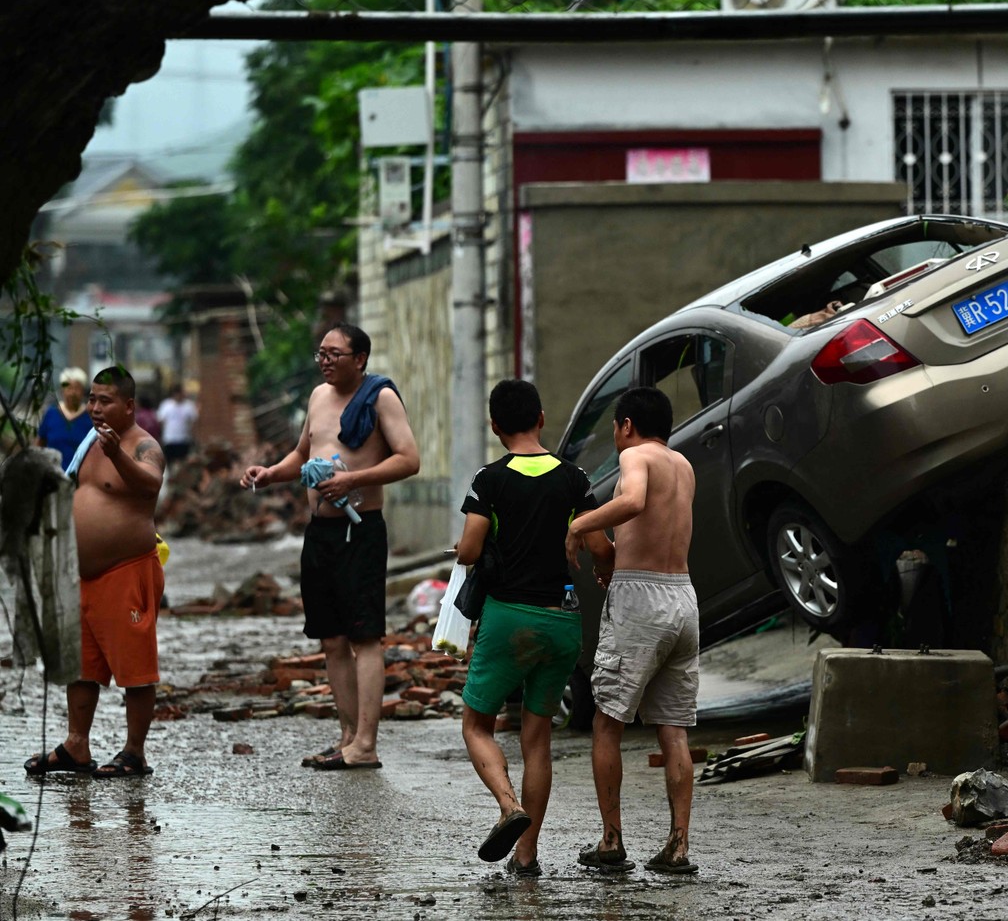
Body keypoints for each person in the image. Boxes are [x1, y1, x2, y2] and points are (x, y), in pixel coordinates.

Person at [240, 323, 418, 771]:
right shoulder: (319, 397)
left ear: (360, 359)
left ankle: (367, 743)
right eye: (321, 353)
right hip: (319, 532)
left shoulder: (380, 398)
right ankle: (346, 737)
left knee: (364, 635)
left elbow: (409, 459)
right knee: (331, 637)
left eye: (335, 354)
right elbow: (303, 454)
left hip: (361, 531)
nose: (325, 361)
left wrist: (352, 479)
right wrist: (270, 472)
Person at [455, 379, 615, 877]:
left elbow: (470, 550)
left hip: (509, 618)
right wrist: (599, 571)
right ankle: (526, 856)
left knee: (476, 724)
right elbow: (601, 546)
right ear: (542, 418)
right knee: (537, 739)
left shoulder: (489, 480)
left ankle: (508, 806)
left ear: (494, 426)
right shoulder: (574, 478)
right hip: (563, 621)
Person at [565, 386, 700, 876]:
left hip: (641, 602)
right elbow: (658, 526)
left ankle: (611, 840)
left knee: (607, 722)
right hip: (682, 595)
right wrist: (616, 562)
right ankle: (679, 845)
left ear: (626, 426)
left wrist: (581, 525)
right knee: (673, 727)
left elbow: (636, 502)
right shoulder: (683, 465)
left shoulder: (635, 456)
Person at [24, 365, 166, 779]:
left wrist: (116, 454)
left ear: (129, 405)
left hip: (126, 569)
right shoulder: (88, 442)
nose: (95, 408)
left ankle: (134, 752)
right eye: (92, 399)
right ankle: (76, 744)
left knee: (135, 668)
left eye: (105, 401)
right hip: (83, 574)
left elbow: (150, 485)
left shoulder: (144, 446)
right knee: (81, 665)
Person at [35, 367, 92, 464]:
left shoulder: (90, 417)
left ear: (83, 391)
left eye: (76, 388)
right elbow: (39, 446)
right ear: (62, 390)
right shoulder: (51, 414)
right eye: (69, 388)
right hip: (53, 474)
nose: (72, 393)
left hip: (80, 475)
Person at [155, 383, 198, 462]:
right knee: (170, 461)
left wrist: (192, 434)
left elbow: (193, 421)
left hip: (184, 439)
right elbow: (161, 421)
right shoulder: (166, 405)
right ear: (174, 394)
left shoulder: (189, 406)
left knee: (183, 462)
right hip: (169, 439)